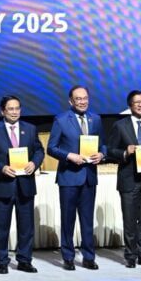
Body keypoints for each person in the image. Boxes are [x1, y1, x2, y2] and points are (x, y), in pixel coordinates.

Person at [0, 95, 45, 274]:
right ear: (3, 111)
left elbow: (39, 150)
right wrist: (1, 168)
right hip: (3, 184)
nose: (15, 112)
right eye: (11, 109)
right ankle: (2, 261)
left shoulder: (30, 129)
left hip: (25, 184)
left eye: (17, 108)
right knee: (2, 227)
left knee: (26, 227)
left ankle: (24, 260)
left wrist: (34, 163)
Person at [48, 85, 106, 270]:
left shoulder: (95, 119)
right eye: (78, 99)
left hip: (89, 176)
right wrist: (69, 156)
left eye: (85, 98)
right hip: (69, 177)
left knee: (87, 220)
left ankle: (89, 257)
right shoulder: (61, 119)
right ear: (70, 101)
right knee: (68, 220)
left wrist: (102, 154)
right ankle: (68, 257)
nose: (82, 102)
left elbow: (102, 145)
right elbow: (52, 147)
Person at [106, 90, 141, 268]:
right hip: (128, 179)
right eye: (136, 102)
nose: (140, 105)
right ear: (130, 105)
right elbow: (110, 151)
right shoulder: (120, 125)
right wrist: (125, 152)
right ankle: (131, 255)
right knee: (130, 220)